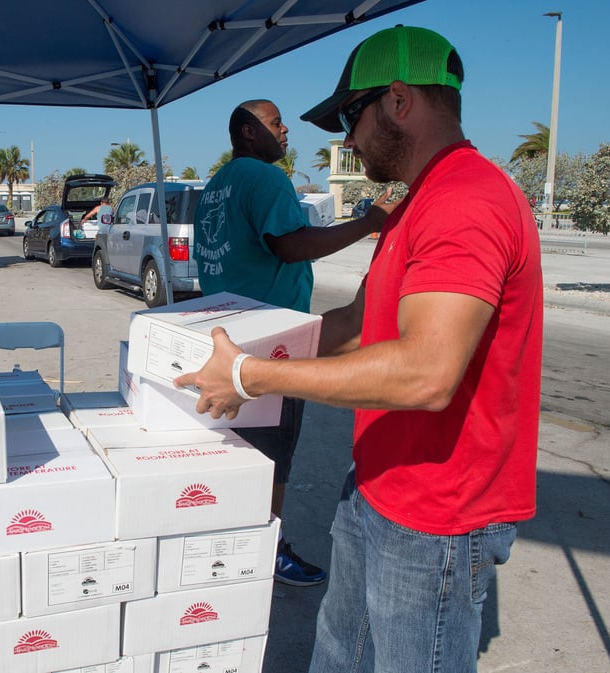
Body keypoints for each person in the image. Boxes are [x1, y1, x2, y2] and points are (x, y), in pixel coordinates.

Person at [176, 26, 542, 673]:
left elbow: (427, 372)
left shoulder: (466, 199)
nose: (344, 139)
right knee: (340, 653)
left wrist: (251, 374)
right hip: (377, 481)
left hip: (438, 511)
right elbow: (354, 318)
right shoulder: (414, 206)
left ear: (399, 102)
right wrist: (248, 353)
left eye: (351, 116)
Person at [193, 98, 394, 588]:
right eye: (275, 123)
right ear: (246, 131)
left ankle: (225, 542)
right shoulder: (266, 179)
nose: (285, 132)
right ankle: (266, 552)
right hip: (272, 342)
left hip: (225, 335)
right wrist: (371, 222)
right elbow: (291, 243)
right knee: (272, 460)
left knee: (235, 453)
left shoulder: (217, 185)